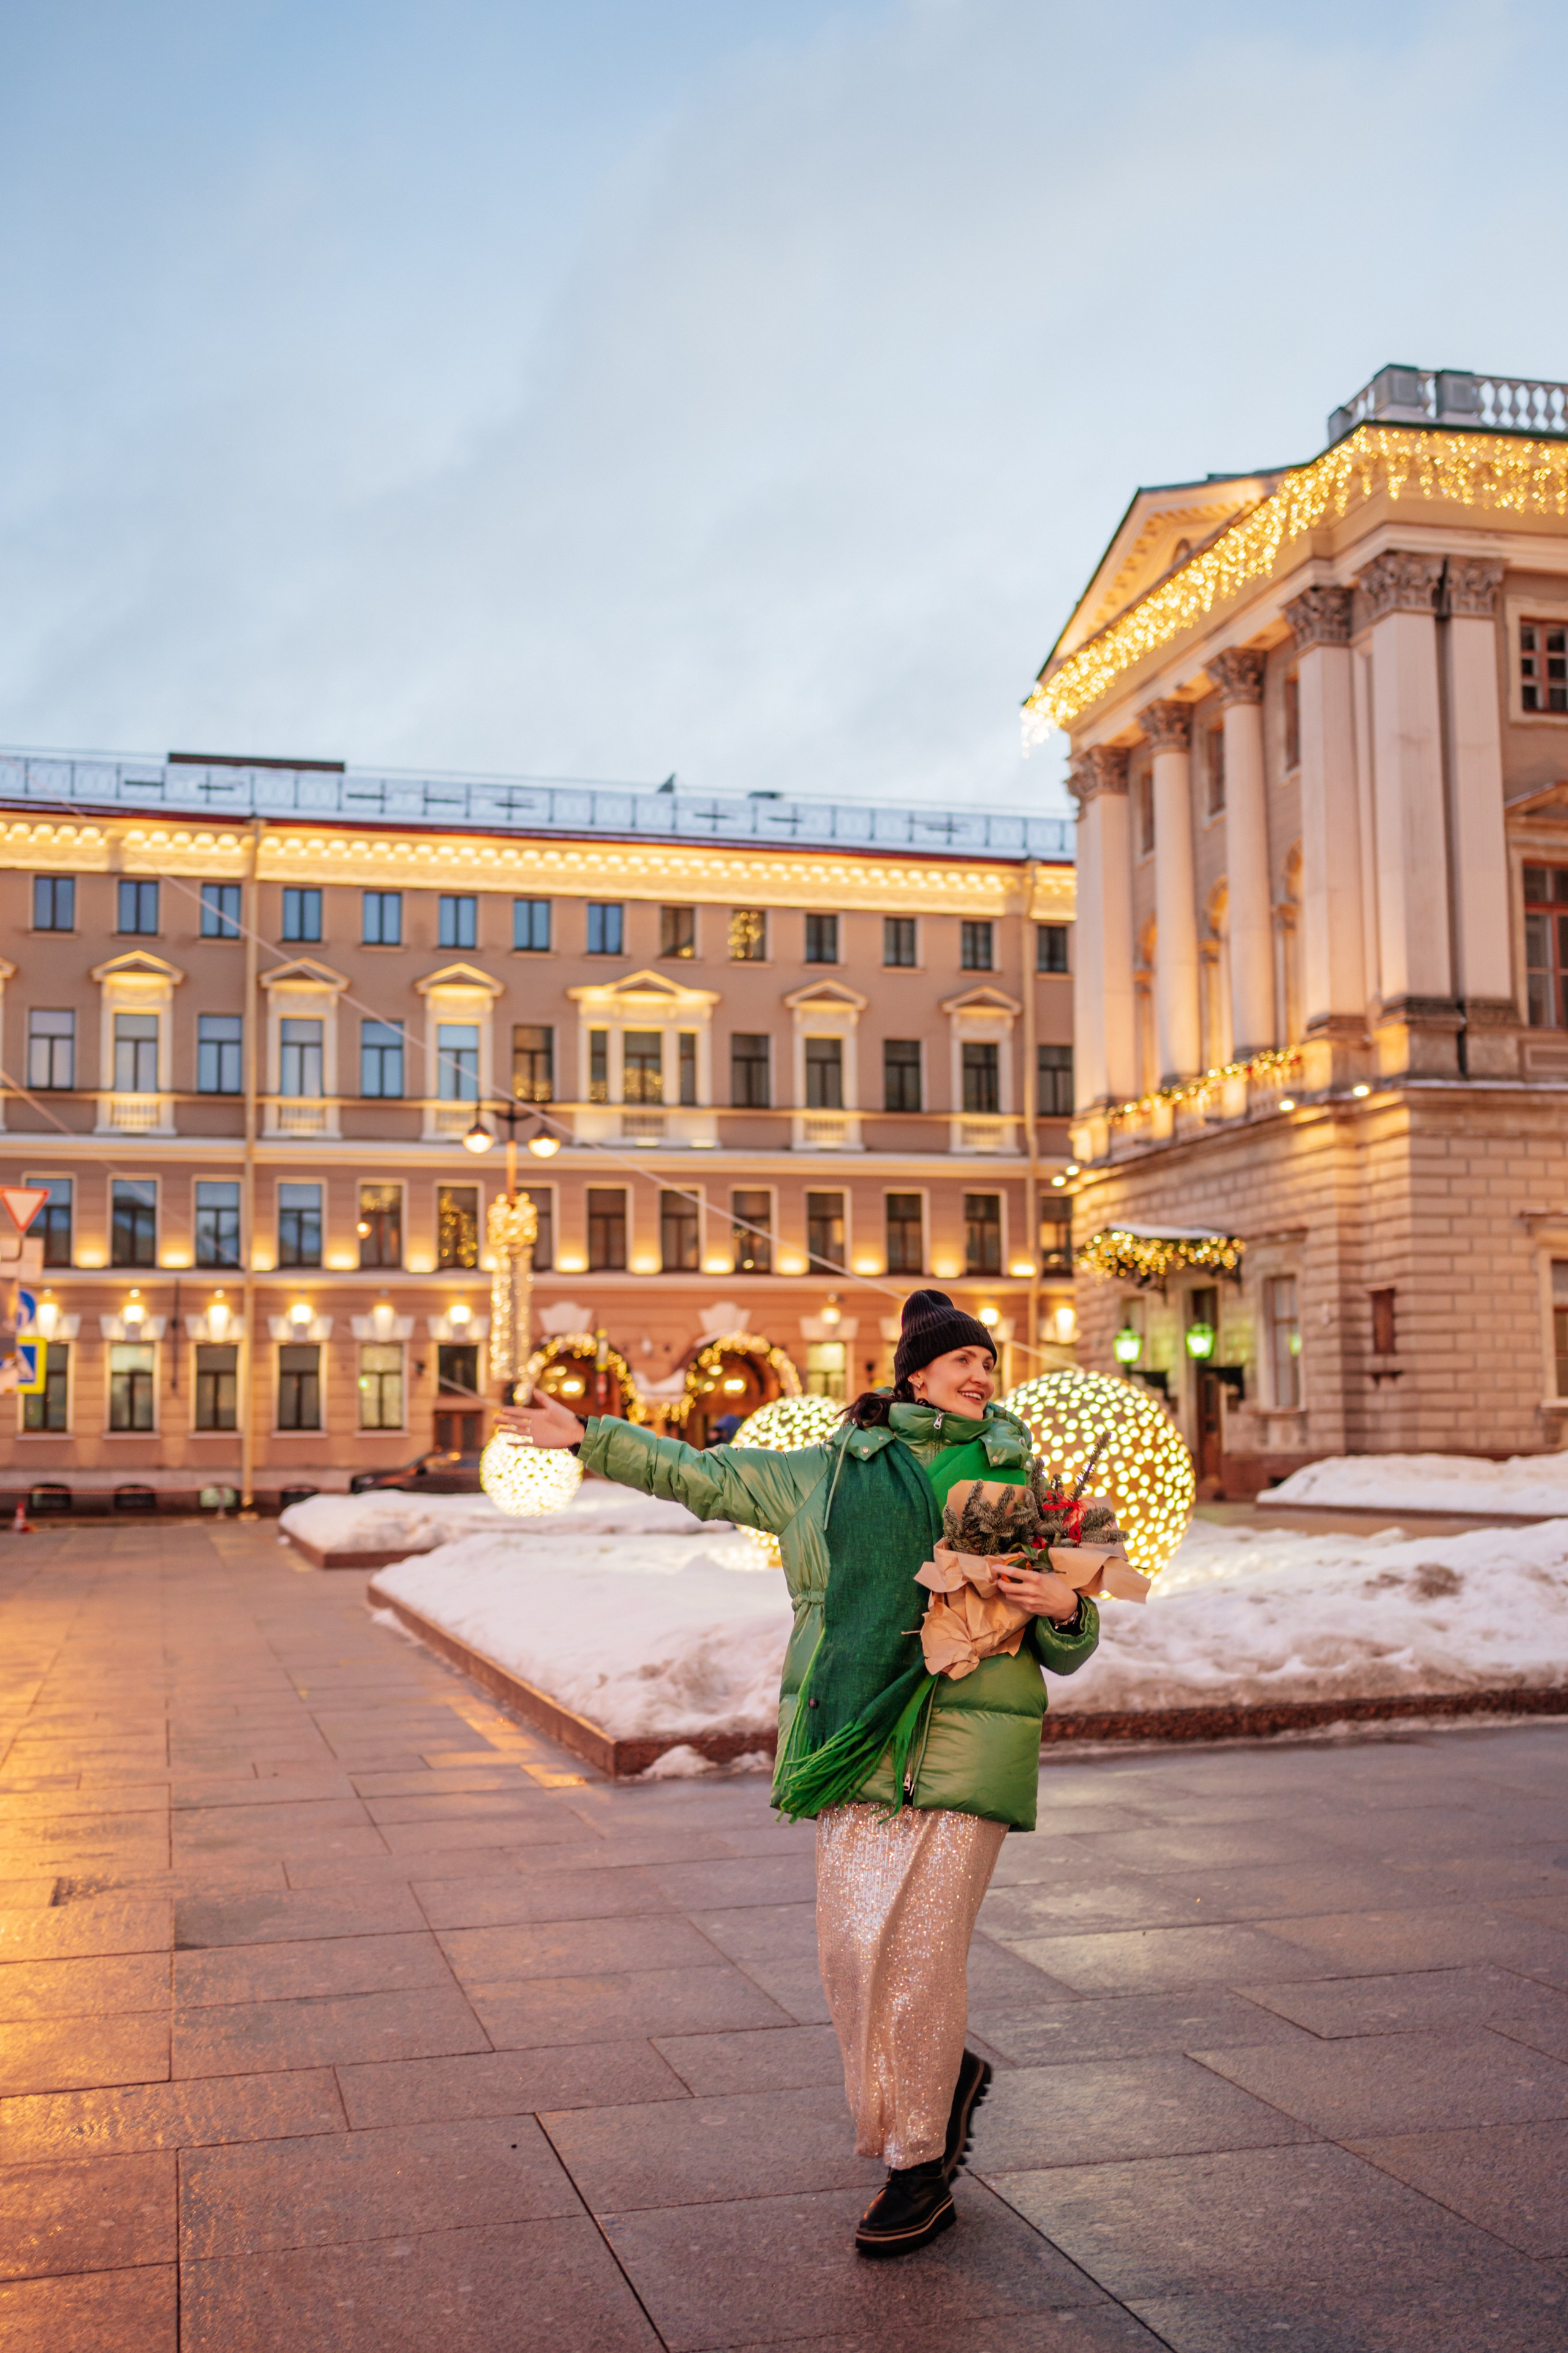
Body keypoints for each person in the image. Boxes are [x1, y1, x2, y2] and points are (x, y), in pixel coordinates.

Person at [504, 1287, 1100, 2258]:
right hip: (849, 1742)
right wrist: (590, 1438)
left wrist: (1061, 1606)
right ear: (917, 1373)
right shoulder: (824, 1477)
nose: (983, 1374)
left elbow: (1075, 1628)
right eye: (963, 1360)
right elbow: (702, 1473)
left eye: (989, 1361)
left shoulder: (1016, 1476)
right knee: (852, 1956)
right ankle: (938, 2083)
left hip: (967, 1742)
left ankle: (917, 2165)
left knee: (915, 1957)